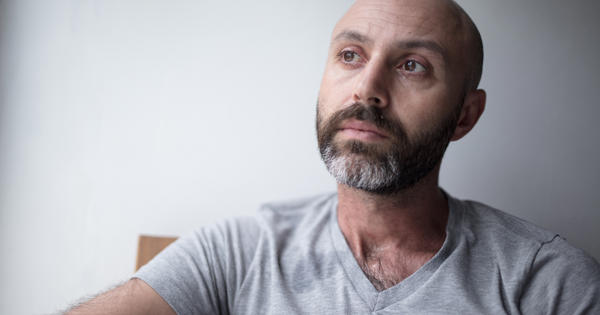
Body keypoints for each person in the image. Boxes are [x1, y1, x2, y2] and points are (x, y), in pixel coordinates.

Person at [65, 0, 600, 314]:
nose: (367, 89)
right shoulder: (240, 252)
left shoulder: (547, 283)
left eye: (412, 65)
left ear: (465, 115)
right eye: (351, 55)